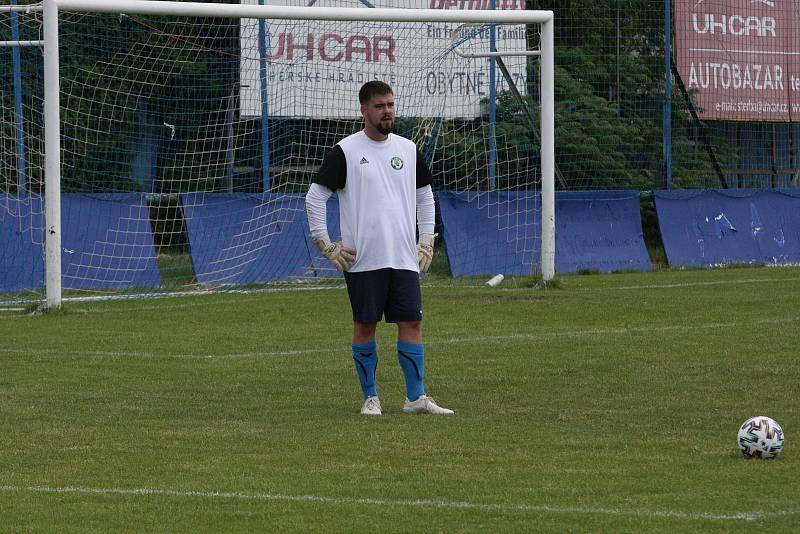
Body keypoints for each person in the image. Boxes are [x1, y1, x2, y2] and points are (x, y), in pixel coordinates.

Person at [305, 80, 453, 416]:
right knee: (364, 325)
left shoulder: (407, 148)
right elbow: (314, 199)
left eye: (390, 104)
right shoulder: (346, 151)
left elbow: (424, 196)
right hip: (363, 259)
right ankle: (371, 398)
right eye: (379, 106)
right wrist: (326, 245)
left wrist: (426, 240)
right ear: (364, 110)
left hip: (403, 256)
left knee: (412, 323)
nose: (387, 111)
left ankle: (415, 398)